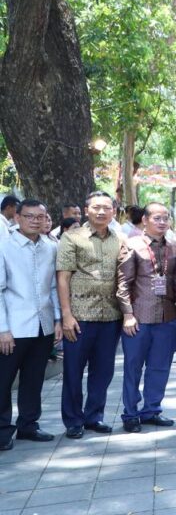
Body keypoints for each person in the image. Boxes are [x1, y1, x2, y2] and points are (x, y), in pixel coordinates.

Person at [57, 191, 125, 438]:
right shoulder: (72, 237)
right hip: (80, 316)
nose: (101, 212)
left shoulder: (119, 239)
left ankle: (94, 416)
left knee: (104, 371)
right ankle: (73, 420)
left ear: (113, 212)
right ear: (86, 210)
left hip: (111, 316)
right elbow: (63, 278)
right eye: (96, 207)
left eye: (107, 208)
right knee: (73, 371)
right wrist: (66, 315)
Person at [0, 200, 61, 449]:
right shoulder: (4, 246)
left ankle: (28, 425)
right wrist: (3, 329)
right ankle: (2, 431)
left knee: (34, 379)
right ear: (17, 218)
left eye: (40, 217)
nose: (35, 221)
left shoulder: (50, 247)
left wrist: (57, 319)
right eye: (29, 216)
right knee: (3, 381)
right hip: (13, 327)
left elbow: (54, 287)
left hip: (43, 325)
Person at [116, 202, 176, 432]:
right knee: (133, 368)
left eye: (166, 218)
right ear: (145, 220)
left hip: (167, 317)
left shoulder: (174, 246)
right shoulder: (132, 244)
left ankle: (152, 410)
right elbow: (123, 283)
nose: (162, 222)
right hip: (139, 318)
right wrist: (127, 315)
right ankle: (130, 414)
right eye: (157, 218)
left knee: (160, 367)